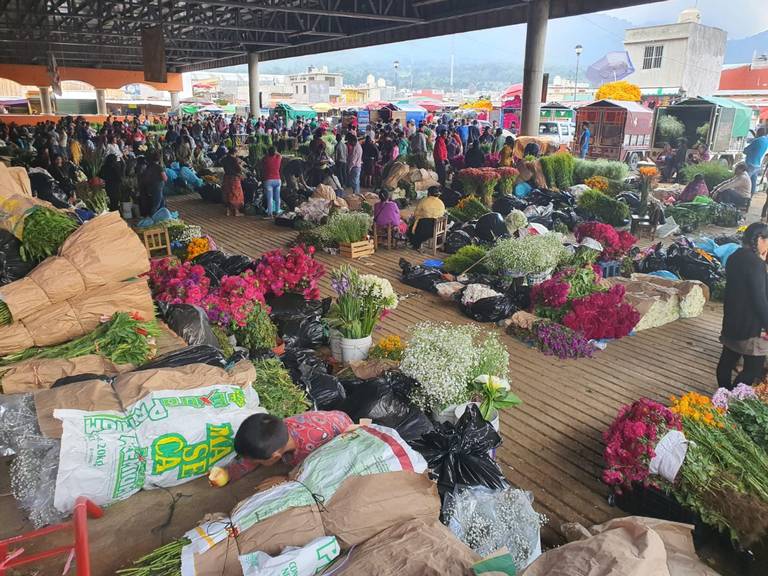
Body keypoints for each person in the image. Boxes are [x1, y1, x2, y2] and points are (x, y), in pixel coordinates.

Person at [220, 411, 354, 483]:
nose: (248, 461)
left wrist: (287, 479)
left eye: (256, 461)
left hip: (346, 430)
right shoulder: (277, 428)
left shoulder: (313, 451)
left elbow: (320, 473)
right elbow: (248, 455)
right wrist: (229, 472)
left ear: (275, 457)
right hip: (331, 418)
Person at [717, 222, 768, 389]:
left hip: (732, 320)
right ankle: (730, 397)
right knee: (753, 369)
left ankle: (723, 393)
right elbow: (759, 299)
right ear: (760, 239)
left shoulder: (734, 256)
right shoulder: (756, 264)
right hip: (749, 326)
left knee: (726, 361)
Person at [139, 151, 167, 217]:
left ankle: (162, 215)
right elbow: (165, 178)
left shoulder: (149, 166)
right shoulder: (159, 167)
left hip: (151, 187)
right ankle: (151, 217)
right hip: (158, 187)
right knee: (156, 204)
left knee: (162, 202)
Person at [221, 147, 245, 217]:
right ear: (234, 152)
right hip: (234, 178)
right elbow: (238, 169)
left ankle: (228, 211)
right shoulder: (234, 159)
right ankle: (236, 212)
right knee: (236, 195)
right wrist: (241, 164)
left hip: (226, 178)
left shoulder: (224, 159)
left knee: (227, 194)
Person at [745, 126, 768, 196]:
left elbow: (745, 150)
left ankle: (744, 197)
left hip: (750, 163)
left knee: (745, 180)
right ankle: (750, 197)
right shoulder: (766, 140)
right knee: (753, 182)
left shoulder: (756, 141)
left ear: (758, 132)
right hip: (758, 164)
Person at [262, 146, 282, 217]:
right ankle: (277, 211)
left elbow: (262, 161)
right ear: (275, 152)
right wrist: (275, 152)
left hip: (268, 180)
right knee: (277, 197)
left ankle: (270, 213)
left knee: (269, 198)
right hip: (277, 180)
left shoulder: (265, 159)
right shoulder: (278, 158)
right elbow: (279, 154)